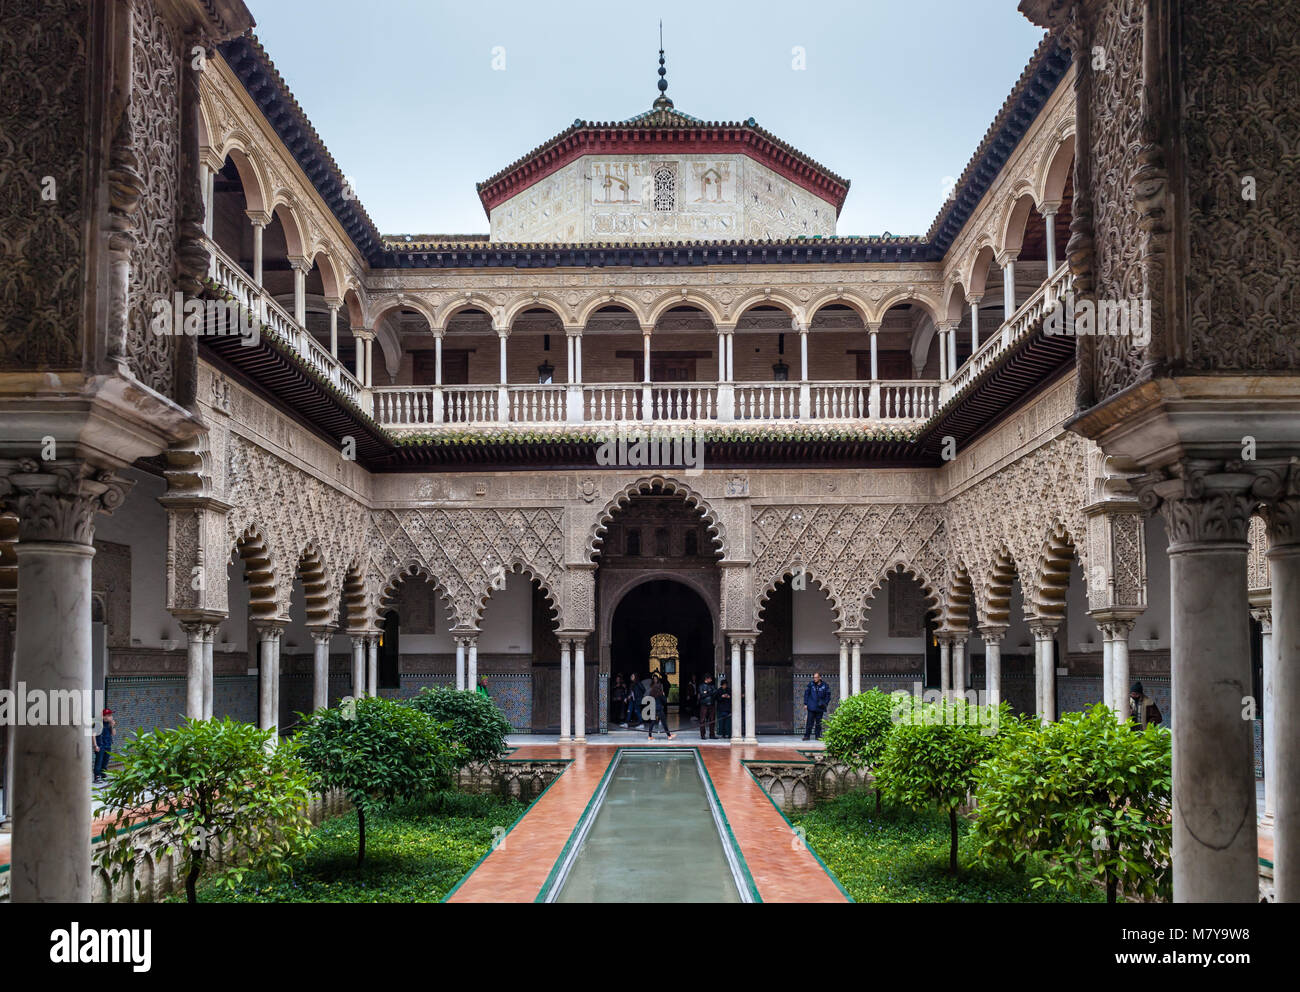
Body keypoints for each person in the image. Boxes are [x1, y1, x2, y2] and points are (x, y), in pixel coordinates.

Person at [803, 672, 831, 741]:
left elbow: (828, 696)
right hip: (811, 707)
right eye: (814, 677)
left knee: (818, 723)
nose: (814, 679)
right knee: (809, 722)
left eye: (816, 677)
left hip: (820, 707)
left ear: (819, 678)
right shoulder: (811, 684)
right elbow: (806, 694)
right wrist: (806, 703)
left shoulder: (825, 685)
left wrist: (825, 703)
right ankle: (807, 736)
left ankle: (818, 736)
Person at [646, 674, 674, 740]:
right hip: (658, 708)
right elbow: (664, 700)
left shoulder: (652, 689)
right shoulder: (659, 690)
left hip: (653, 707)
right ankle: (669, 735)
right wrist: (663, 695)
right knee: (664, 722)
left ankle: (649, 736)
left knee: (652, 722)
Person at [92, 708, 116, 783]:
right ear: (104, 716)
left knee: (105, 761)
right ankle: (97, 776)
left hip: (108, 745)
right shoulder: (98, 724)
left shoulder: (109, 724)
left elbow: (113, 734)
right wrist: (95, 745)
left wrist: (112, 726)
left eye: (110, 715)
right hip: (100, 745)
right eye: (109, 715)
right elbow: (93, 735)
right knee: (99, 761)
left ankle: (103, 774)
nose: (111, 717)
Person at [697, 673, 718, 740]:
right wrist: (710, 693)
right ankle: (702, 735)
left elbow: (715, 693)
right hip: (704, 705)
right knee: (702, 720)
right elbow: (702, 695)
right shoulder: (701, 686)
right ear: (706, 679)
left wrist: (707, 692)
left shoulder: (712, 686)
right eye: (710, 678)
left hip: (712, 704)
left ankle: (712, 734)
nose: (711, 680)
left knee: (712, 720)